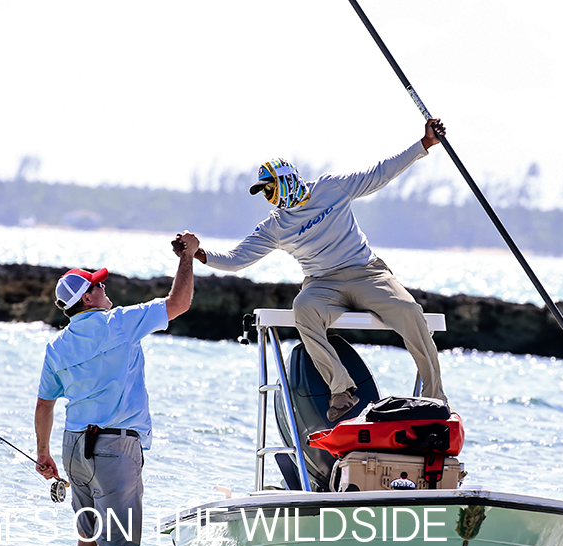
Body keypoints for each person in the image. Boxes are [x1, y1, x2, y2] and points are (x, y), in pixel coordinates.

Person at [187, 120, 448, 422]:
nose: (269, 197)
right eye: (264, 193)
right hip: (322, 284)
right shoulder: (275, 225)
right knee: (303, 306)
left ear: (287, 179)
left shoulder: (331, 187)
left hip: (367, 273)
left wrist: (424, 144)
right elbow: (236, 258)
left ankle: (435, 400)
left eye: (269, 189)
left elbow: (380, 174)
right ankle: (341, 389)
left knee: (409, 310)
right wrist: (201, 254)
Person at [34, 231, 200, 546]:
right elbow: (179, 303)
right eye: (98, 286)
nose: (104, 288)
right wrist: (187, 258)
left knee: (88, 538)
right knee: (111, 545)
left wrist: (43, 454)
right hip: (113, 447)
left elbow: (44, 405)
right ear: (88, 299)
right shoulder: (119, 323)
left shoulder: (56, 346)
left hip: (73, 448)